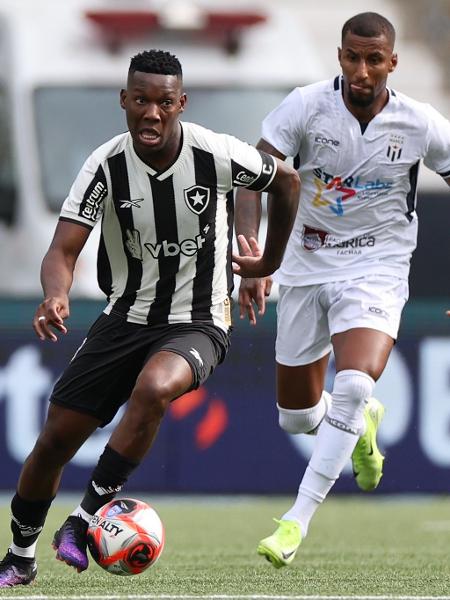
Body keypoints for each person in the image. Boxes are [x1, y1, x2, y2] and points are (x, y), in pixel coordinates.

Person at [0, 49, 300, 587]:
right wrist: (56, 295)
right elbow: (63, 249)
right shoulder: (106, 165)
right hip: (125, 317)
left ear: (181, 103)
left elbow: (286, 183)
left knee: (156, 387)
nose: (152, 114)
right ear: (124, 101)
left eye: (164, 102)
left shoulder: (216, 153)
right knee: (53, 442)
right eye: (141, 101)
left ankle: (85, 518)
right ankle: (20, 556)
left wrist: (267, 261)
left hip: (201, 319)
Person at [235, 12, 450, 568]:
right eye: (353, 57)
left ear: (393, 62)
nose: (362, 70)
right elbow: (257, 174)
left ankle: (294, 522)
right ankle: (360, 423)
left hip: (378, 267)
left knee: (353, 383)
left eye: (374, 59)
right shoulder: (306, 106)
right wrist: (257, 256)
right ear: (339, 57)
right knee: (298, 417)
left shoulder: (419, 122)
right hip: (305, 268)